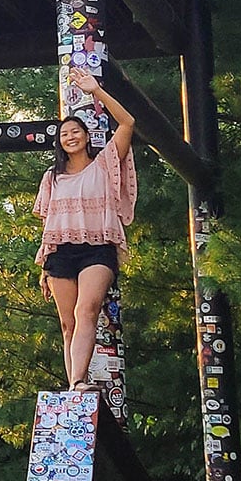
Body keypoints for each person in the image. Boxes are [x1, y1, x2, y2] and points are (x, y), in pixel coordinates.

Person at [34, 70, 137, 389]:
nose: (70, 137)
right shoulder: (52, 177)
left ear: (86, 135)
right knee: (67, 324)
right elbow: (48, 223)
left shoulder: (105, 163)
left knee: (86, 308)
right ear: (60, 143)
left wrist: (96, 91)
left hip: (97, 249)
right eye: (64, 134)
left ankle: (79, 379)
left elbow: (128, 124)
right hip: (60, 252)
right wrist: (43, 266)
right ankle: (75, 383)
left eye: (76, 131)